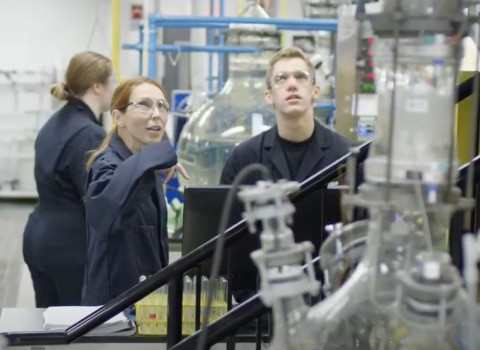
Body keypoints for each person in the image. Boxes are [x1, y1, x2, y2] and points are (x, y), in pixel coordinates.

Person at [81, 76, 189, 305]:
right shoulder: (107, 165)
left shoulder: (147, 169)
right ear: (118, 117)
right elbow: (106, 213)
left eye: (162, 106)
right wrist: (157, 156)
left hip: (145, 302)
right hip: (112, 311)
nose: (156, 114)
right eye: (144, 105)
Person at [22, 51, 115, 307]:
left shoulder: (53, 124)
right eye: (113, 81)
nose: (115, 87)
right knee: (76, 329)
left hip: (38, 237)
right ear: (97, 86)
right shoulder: (90, 134)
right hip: (69, 245)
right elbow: (97, 199)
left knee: (46, 326)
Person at [220, 47, 350, 185]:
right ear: (269, 96)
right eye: (281, 78)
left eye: (300, 77)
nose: (292, 84)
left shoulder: (344, 156)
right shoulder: (244, 160)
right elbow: (223, 206)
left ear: (315, 91)